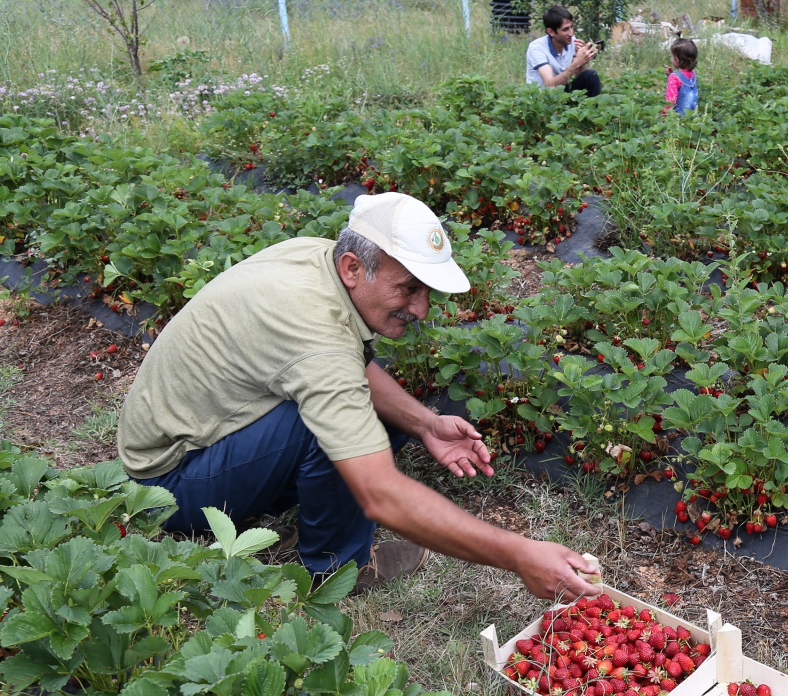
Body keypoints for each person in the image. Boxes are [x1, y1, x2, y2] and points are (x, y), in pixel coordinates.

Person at [116, 191, 601, 602]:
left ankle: (313, 521)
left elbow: (352, 366)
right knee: (338, 428)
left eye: (426, 290)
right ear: (353, 267)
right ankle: (335, 570)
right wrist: (518, 554)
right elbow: (379, 493)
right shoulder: (311, 331)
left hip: (201, 445)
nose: (422, 308)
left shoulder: (316, 259)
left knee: (370, 415)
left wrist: (425, 424)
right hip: (166, 488)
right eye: (408, 288)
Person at [526, 5, 602, 97]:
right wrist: (577, 63)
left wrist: (582, 59)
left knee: (591, 75)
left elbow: (578, 73)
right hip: (544, 98)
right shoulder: (537, 48)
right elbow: (550, 84)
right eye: (565, 29)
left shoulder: (571, 40)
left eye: (571, 27)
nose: (571, 33)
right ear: (551, 32)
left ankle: (594, 110)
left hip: (562, 93)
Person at [662, 38, 699, 116]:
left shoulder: (674, 77)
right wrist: (671, 74)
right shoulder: (693, 74)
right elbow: (684, 82)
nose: (671, 58)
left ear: (677, 59)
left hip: (679, 118)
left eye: (671, 56)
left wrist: (665, 115)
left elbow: (671, 100)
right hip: (692, 116)